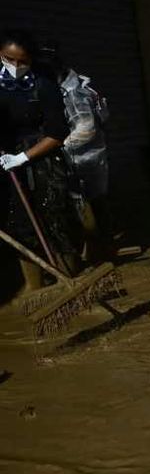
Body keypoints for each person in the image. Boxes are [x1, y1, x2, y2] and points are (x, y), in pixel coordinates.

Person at [0, 29, 79, 290]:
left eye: (21, 61)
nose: (15, 66)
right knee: (19, 225)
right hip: (6, 162)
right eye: (8, 59)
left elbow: (58, 133)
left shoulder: (43, 85)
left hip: (42, 159)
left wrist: (23, 157)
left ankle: (69, 280)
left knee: (55, 219)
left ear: (31, 60)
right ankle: (36, 290)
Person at [34, 42, 112, 262]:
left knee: (89, 204)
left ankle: (101, 250)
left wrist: (57, 144)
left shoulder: (73, 92)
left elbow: (86, 128)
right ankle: (100, 248)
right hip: (87, 155)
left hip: (83, 157)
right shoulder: (75, 84)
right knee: (91, 203)